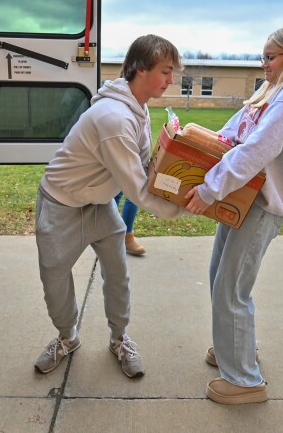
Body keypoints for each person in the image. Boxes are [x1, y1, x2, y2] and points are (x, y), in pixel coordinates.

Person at [34, 34, 186, 379]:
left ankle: (119, 339)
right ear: (140, 69)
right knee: (55, 278)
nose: (170, 80)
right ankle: (67, 337)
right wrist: (190, 207)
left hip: (99, 203)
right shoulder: (114, 119)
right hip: (62, 202)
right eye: (165, 71)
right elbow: (139, 191)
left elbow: (146, 166)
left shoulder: (139, 109)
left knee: (117, 272)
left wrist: (182, 176)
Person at [184, 25, 283, 404]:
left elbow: (260, 147)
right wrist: (194, 143)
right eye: (263, 57)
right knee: (220, 278)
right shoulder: (271, 89)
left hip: (260, 204)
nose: (264, 65)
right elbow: (232, 134)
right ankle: (235, 347)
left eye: (271, 57)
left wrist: (211, 187)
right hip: (242, 200)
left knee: (232, 288)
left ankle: (244, 380)